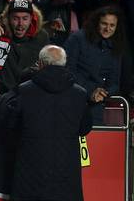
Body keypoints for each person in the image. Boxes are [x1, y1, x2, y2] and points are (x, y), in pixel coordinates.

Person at [9, 45, 92, 200]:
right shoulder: (80, 94)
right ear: (64, 64)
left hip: (30, 171)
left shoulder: (24, 91)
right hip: (66, 170)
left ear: (40, 64)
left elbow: (11, 126)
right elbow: (85, 128)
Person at [64, 6, 127, 124]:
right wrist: (90, 91)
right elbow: (67, 71)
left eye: (112, 25)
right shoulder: (77, 39)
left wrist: (103, 93)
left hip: (97, 106)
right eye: (104, 24)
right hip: (73, 101)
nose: (108, 28)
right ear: (96, 22)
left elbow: (114, 82)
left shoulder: (116, 45)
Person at [0, 0, 50, 93]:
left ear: (32, 19)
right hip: (3, 95)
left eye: (25, 18)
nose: (20, 24)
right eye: (15, 18)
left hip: (32, 93)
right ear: (8, 19)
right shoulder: (0, 32)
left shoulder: (41, 37)